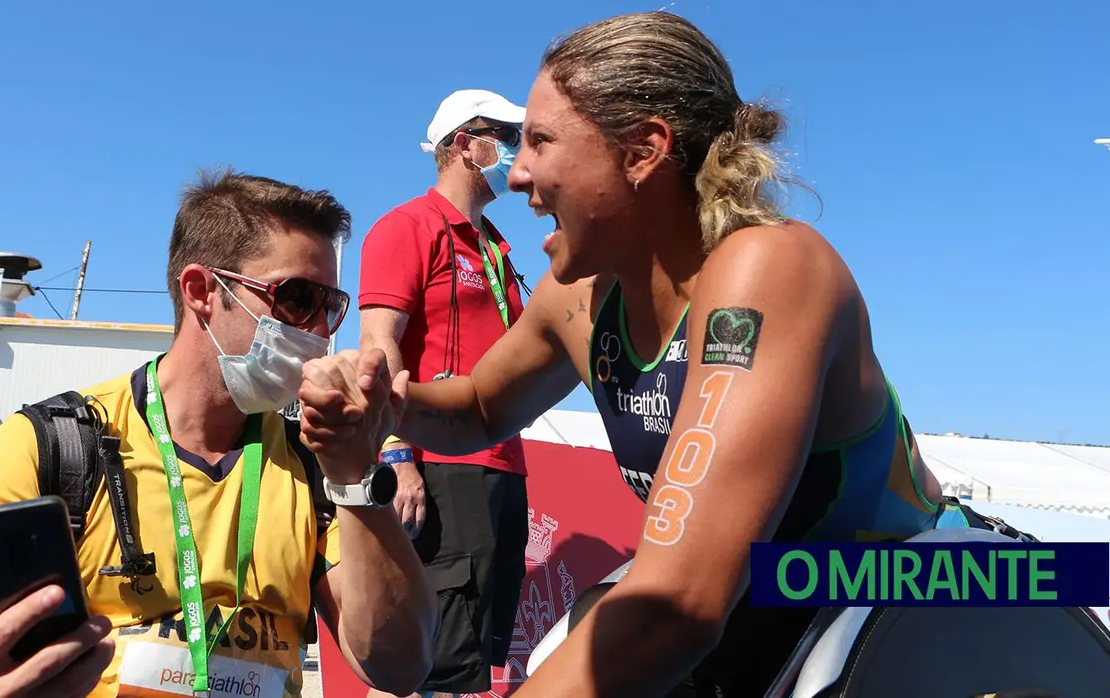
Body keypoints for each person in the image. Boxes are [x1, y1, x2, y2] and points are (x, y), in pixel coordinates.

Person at [298, 11, 1030, 698]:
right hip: (779, 591)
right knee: (598, 620)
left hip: (936, 591)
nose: (517, 174)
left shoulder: (767, 267)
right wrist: (385, 405)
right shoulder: (577, 295)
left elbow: (679, 602)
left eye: (542, 143)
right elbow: (481, 407)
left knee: (629, 617)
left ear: (643, 152)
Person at [0, 171, 438, 698]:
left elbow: (398, 665)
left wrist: (355, 478)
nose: (317, 330)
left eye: (331, 305)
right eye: (296, 298)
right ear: (201, 291)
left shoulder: (315, 465)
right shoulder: (52, 446)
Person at [357, 88, 531, 698]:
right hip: (439, 464)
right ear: (464, 144)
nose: (516, 151)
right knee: (426, 662)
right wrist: (398, 455)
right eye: (504, 138)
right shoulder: (408, 226)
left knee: (467, 665)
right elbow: (378, 347)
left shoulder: (496, 247)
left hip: (501, 463)